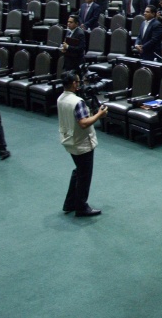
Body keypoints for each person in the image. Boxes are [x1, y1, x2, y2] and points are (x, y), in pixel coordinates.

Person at [58, 71, 107, 217]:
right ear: (74, 84)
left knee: (78, 171)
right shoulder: (77, 102)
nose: (80, 84)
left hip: (69, 139)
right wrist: (99, 114)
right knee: (84, 175)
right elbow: (83, 123)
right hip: (82, 143)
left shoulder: (61, 98)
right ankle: (81, 207)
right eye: (78, 82)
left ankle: (70, 203)